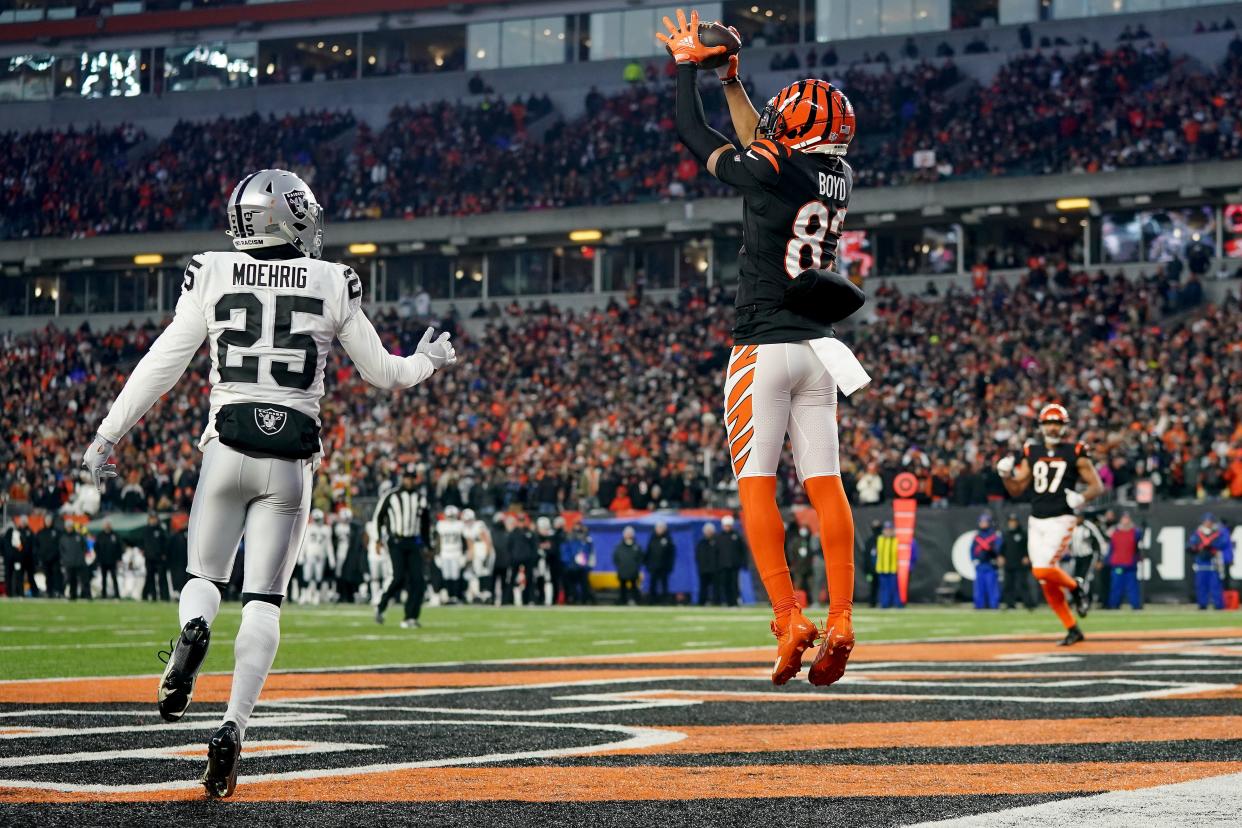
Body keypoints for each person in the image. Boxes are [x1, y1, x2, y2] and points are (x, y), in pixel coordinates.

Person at [80, 168, 456, 799]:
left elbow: (163, 365)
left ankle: (193, 631)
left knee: (203, 578)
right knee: (263, 601)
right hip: (290, 460)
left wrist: (107, 434)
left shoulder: (212, 271)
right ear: (287, 216)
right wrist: (429, 360)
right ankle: (233, 727)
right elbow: (387, 374)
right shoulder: (334, 281)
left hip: (225, 448)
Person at [659, 9, 866, 686]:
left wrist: (690, 70)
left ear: (794, 132)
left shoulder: (776, 166)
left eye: (781, 119)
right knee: (825, 484)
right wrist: (732, 83)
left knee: (756, 485)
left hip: (764, 345)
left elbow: (701, 140)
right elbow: (764, 144)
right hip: (820, 349)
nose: (771, 123)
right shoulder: (838, 176)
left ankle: (788, 616)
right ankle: (840, 616)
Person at [997, 403, 1104, 645]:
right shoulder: (1031, 451)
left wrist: (1082, 497)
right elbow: (1016, 489)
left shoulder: (1075, 451)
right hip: (1037, 519)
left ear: (1064, 426)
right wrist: (1005, 476)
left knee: (1042, 569)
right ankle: (1072, 628)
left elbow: (1097, 485)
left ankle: (1076, 588)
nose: (1053, 427)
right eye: (1049, 423)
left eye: (1057, 423)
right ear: (1041, 425)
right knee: (1045, 578)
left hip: (1061, 517)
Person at [374, 466, 434, 627]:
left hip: (414, 542)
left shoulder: (421, 499)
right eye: (407, 477)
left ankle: (410, 617)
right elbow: (378, 517)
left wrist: (428, 546)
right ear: (402, 478)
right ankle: (381, 606)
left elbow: (426, 525)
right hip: (396, 542)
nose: (410, 480)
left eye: (412, 478)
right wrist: (378, 539)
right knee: (398, 577)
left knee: (418, 581)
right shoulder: (391, 496)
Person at [1188, 514, 1227, 610]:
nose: (1208, 523)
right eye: (1206, 521)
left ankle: (1218, 605)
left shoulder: (1217, 533)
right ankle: (1202, 604)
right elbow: (1190, 546)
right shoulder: (1197, 533)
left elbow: (1222, 544)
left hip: (1213, 563)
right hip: (1201, 563)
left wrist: (1211, 545)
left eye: (1209, 521)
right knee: (1201, 586)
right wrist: (1197, 547)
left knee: (1215, 586)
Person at [1106, 512, 1144, 610]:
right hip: (1117, 565)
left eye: (1127, 519)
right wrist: (1107, 560)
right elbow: (1111, 548)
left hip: (1130, 565)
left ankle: (1135, 605)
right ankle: (1114, 605)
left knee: (1132, 587)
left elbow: (1140, 537)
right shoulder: (1115, 532)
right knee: (1116, 586)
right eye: (1124, 518)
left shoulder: (1135, 532)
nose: (1125, 521)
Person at [1068, 513, 1107, 606]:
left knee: (1084, 578)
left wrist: (1100, 559)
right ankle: (1077, 599)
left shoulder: (1089, 527)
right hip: (1076, 557)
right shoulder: (1071, 526)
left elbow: (1100, 542)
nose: (1077, 519)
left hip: (1088, 556)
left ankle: (1085, 600)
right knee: (1074, 579)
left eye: (1078, 517)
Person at [1000, 513, 1035, 610]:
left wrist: (1027, 556)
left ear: (1017, 523)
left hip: (1020, 564)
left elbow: (1029, 547)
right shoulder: (1006, 534)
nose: (1012, 524)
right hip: (1009, 563)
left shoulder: (1023, 534)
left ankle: (1029, 603)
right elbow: (1002, 548)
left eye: (1014, 522)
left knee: (1022, 584)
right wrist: (1001, 556)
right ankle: (1009, 604)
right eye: (1010, 522)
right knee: (1008, 585)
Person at [333, 507, 368, 604]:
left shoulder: (353, 527)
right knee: (339, 574)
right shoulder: (337, 527)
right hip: (340, 552)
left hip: (348, 553)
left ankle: (347, 594)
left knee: (347, 574)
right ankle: (340, 593)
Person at [300, 509, 334, 605]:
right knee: (307, 576)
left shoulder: (326, 529)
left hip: (321, 555)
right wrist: (301, 555)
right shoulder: (309, 528)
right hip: (310, 554)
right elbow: (304, 543)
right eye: (316, 519)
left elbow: (328, 544)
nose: (317, 521)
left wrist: (331, 558)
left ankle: (316, 596)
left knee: (319, 577)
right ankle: (304, 595)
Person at [461, 508, 495, 604]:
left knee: (485, 572)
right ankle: (480, 594)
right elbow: (470, 545)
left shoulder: (479, 525)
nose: (467, 522)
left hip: (484, 550)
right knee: (478, 573)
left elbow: (487, 540)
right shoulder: (466, 529)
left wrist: (487, 554)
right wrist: (469, 558)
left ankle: (487, 594)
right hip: (477, 552)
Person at [435, 505, 467, 604]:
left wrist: (464, 554)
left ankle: (455, 596)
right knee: (447, 576)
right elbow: (438, 540)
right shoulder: (441, 525)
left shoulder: (460, 525)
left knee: (455, 576)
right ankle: (449, 596)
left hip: (456, 552)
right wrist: (437, 554)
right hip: (445, 553)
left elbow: (464, 540)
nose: (451, 518)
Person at [971, 512, 1001, 610]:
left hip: (990, 565)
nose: (983, 524)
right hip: (980, 565)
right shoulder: (977, 536)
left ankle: (994, 605)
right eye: (981, 522)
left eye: (985, 522)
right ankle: (979, 605)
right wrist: (974, 559)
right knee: (979, 588)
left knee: (992, 587)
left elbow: (998, 549)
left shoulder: (994, 536)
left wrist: (996, 558)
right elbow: (972, 550)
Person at [716, 515, 747, 607]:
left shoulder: (737, 536)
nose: (727, 527)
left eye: (729, 525)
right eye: (726, 526)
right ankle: (727, 601)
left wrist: (743, 562)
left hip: (734, 564)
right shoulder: (719, 537)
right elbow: (716, 552)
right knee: (725, 584)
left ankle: (735, 601)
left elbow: (743, 550)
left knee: (734, 584)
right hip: (723, 565)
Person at [560, 523, 595, 605]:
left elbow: (588, 552)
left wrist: (586, 564)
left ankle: (584, 600)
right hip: (571, 566)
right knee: (572, 585)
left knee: (584, 584)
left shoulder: (586, 538)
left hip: (581, 566)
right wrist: (568, 563)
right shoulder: (569, 538)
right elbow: (565, 551)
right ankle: (573, 599)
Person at [142, 513, 171, 602]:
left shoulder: (161, 530)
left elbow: (166, 543)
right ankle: (152, 597)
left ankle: (165, 597)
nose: (152, 520)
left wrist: (164, 554)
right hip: (149, 558)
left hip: (159, 559)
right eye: (151, 518)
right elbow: (142, 543)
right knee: (150, 578)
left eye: (154, 518)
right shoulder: (145, 530)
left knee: (162, 578)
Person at [645, 521, 676, 604]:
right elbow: (648, 552)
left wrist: (669, 566)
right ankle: (652, 601)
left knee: (664, 585)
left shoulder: (668, 539)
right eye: (658, 528)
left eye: (661, 528)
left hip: (664, 567)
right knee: (653, 585)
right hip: (653, 567)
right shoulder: (652, 538)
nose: (659, 530)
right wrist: (648, 564)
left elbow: (671, 554)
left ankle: (665, 601)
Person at [874, 521, 902, 608]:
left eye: (889, 529)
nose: (888, 531)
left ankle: (897, 604)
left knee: (894, 587)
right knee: (883, 588)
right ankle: (884, 604)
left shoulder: (896, 540)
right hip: (882, 568)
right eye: (886, 529)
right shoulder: (880, 539)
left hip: (892, 568)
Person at [786, 523, 816, 604]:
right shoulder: (796, 541)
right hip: (798, 567)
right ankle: (795, 602)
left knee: (810, 585)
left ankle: (812, 601)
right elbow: (791, 553)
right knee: (798, 585)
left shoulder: (810, 540)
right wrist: (792, 564)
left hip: (808, 567)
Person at [60, 520, 91, 601]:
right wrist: (65, 559)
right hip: (69, 563)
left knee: (84, 580)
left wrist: (82, 557)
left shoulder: (79, 536)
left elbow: (85, 547)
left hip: (80, 562)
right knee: (72, 580)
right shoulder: (63, 538)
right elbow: (61, 550)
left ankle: (88, 595)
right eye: (68, 526)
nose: (69, 528)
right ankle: (73, 595)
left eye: (70, 526)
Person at [613, 525, 643, 605]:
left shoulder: (637, 546)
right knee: (622, 587)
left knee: (634, 587)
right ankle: (623, 601)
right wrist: (620, 567)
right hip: (622, 571)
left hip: (633, 571)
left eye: (630, 533)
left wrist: (636, 567)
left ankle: (635, 601)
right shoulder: (619, 546)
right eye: (627, 533)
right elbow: (616, 558)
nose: (628, 535)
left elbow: (640, 558)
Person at [695, 522, 721, 605]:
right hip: (703, 569)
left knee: (716, 587)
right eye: (707, 531)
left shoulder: (717, 542)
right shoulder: (701, 543)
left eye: (710, 531)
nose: (708, 532)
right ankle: (701, 602)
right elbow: (697, 555)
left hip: (715, 568)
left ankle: (716, 602)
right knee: (703, 587)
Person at [862, 518, 882, 607]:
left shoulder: (883, 541)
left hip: (882, 567)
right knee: (873, 586)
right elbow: (866, 556)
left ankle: (882, 602)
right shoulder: (869, 541)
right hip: (872, 569)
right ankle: (872, 602)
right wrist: (867, 569)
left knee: (882, 586)